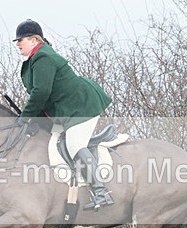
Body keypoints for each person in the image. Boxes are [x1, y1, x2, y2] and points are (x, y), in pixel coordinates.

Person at [13, 19, 114, 211]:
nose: (17, 43)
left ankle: (102, 192)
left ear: (34, 40)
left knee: (74, 144)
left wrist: (25, 117)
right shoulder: (37, 57)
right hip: (68, 109)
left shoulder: (43, 57)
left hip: (81, 106)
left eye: (21, 39)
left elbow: (41, 93)